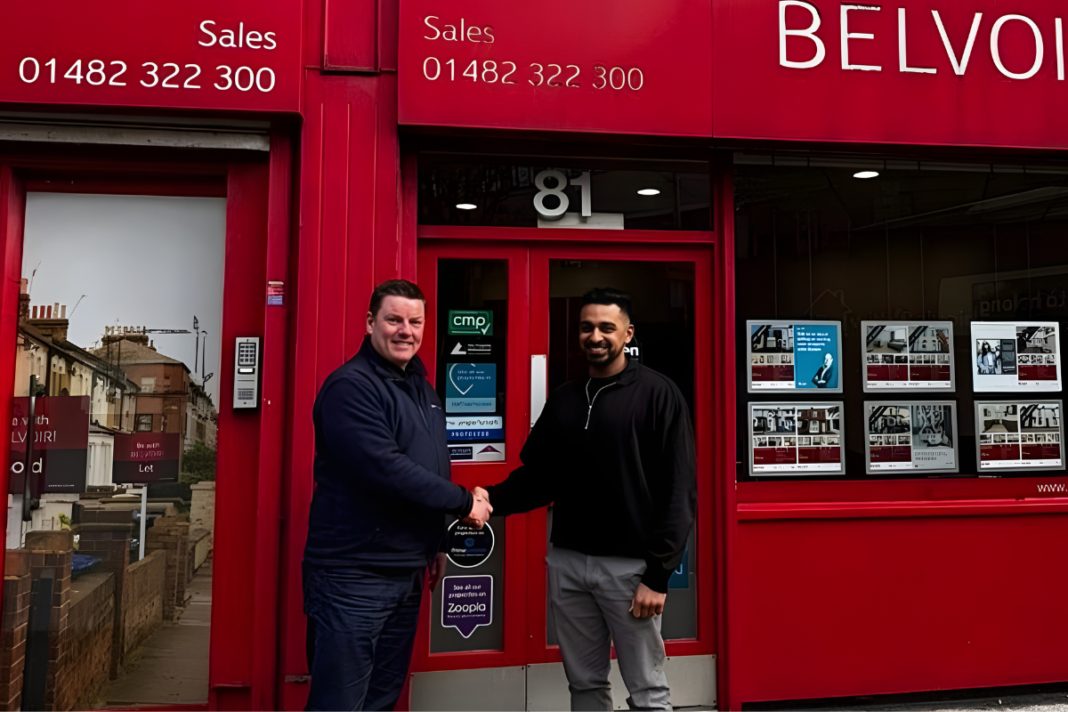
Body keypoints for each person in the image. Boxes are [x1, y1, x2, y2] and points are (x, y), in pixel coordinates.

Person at [469, 288, 696, 711]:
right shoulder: (566, 398)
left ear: (628, 333)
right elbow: (541, 478)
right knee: (585, 685)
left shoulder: (658, 395)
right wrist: (489, 501)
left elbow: (678, 491)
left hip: (631, 572)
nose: (596, 336)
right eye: (587, 327)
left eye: (607, 328)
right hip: (569, 563)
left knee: (647, 689)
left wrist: (658, 575)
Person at [302, 279, 492, 711]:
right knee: (340, 702)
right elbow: (387, 470)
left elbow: (429, 464)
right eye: (393, 320)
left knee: (382, 700)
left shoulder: (422, 389)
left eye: (415, 321)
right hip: (352, 577)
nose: (405, 330)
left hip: (406, 571)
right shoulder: (351, 388)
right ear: (370, 323)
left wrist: (438, 542)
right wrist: (465, 503)